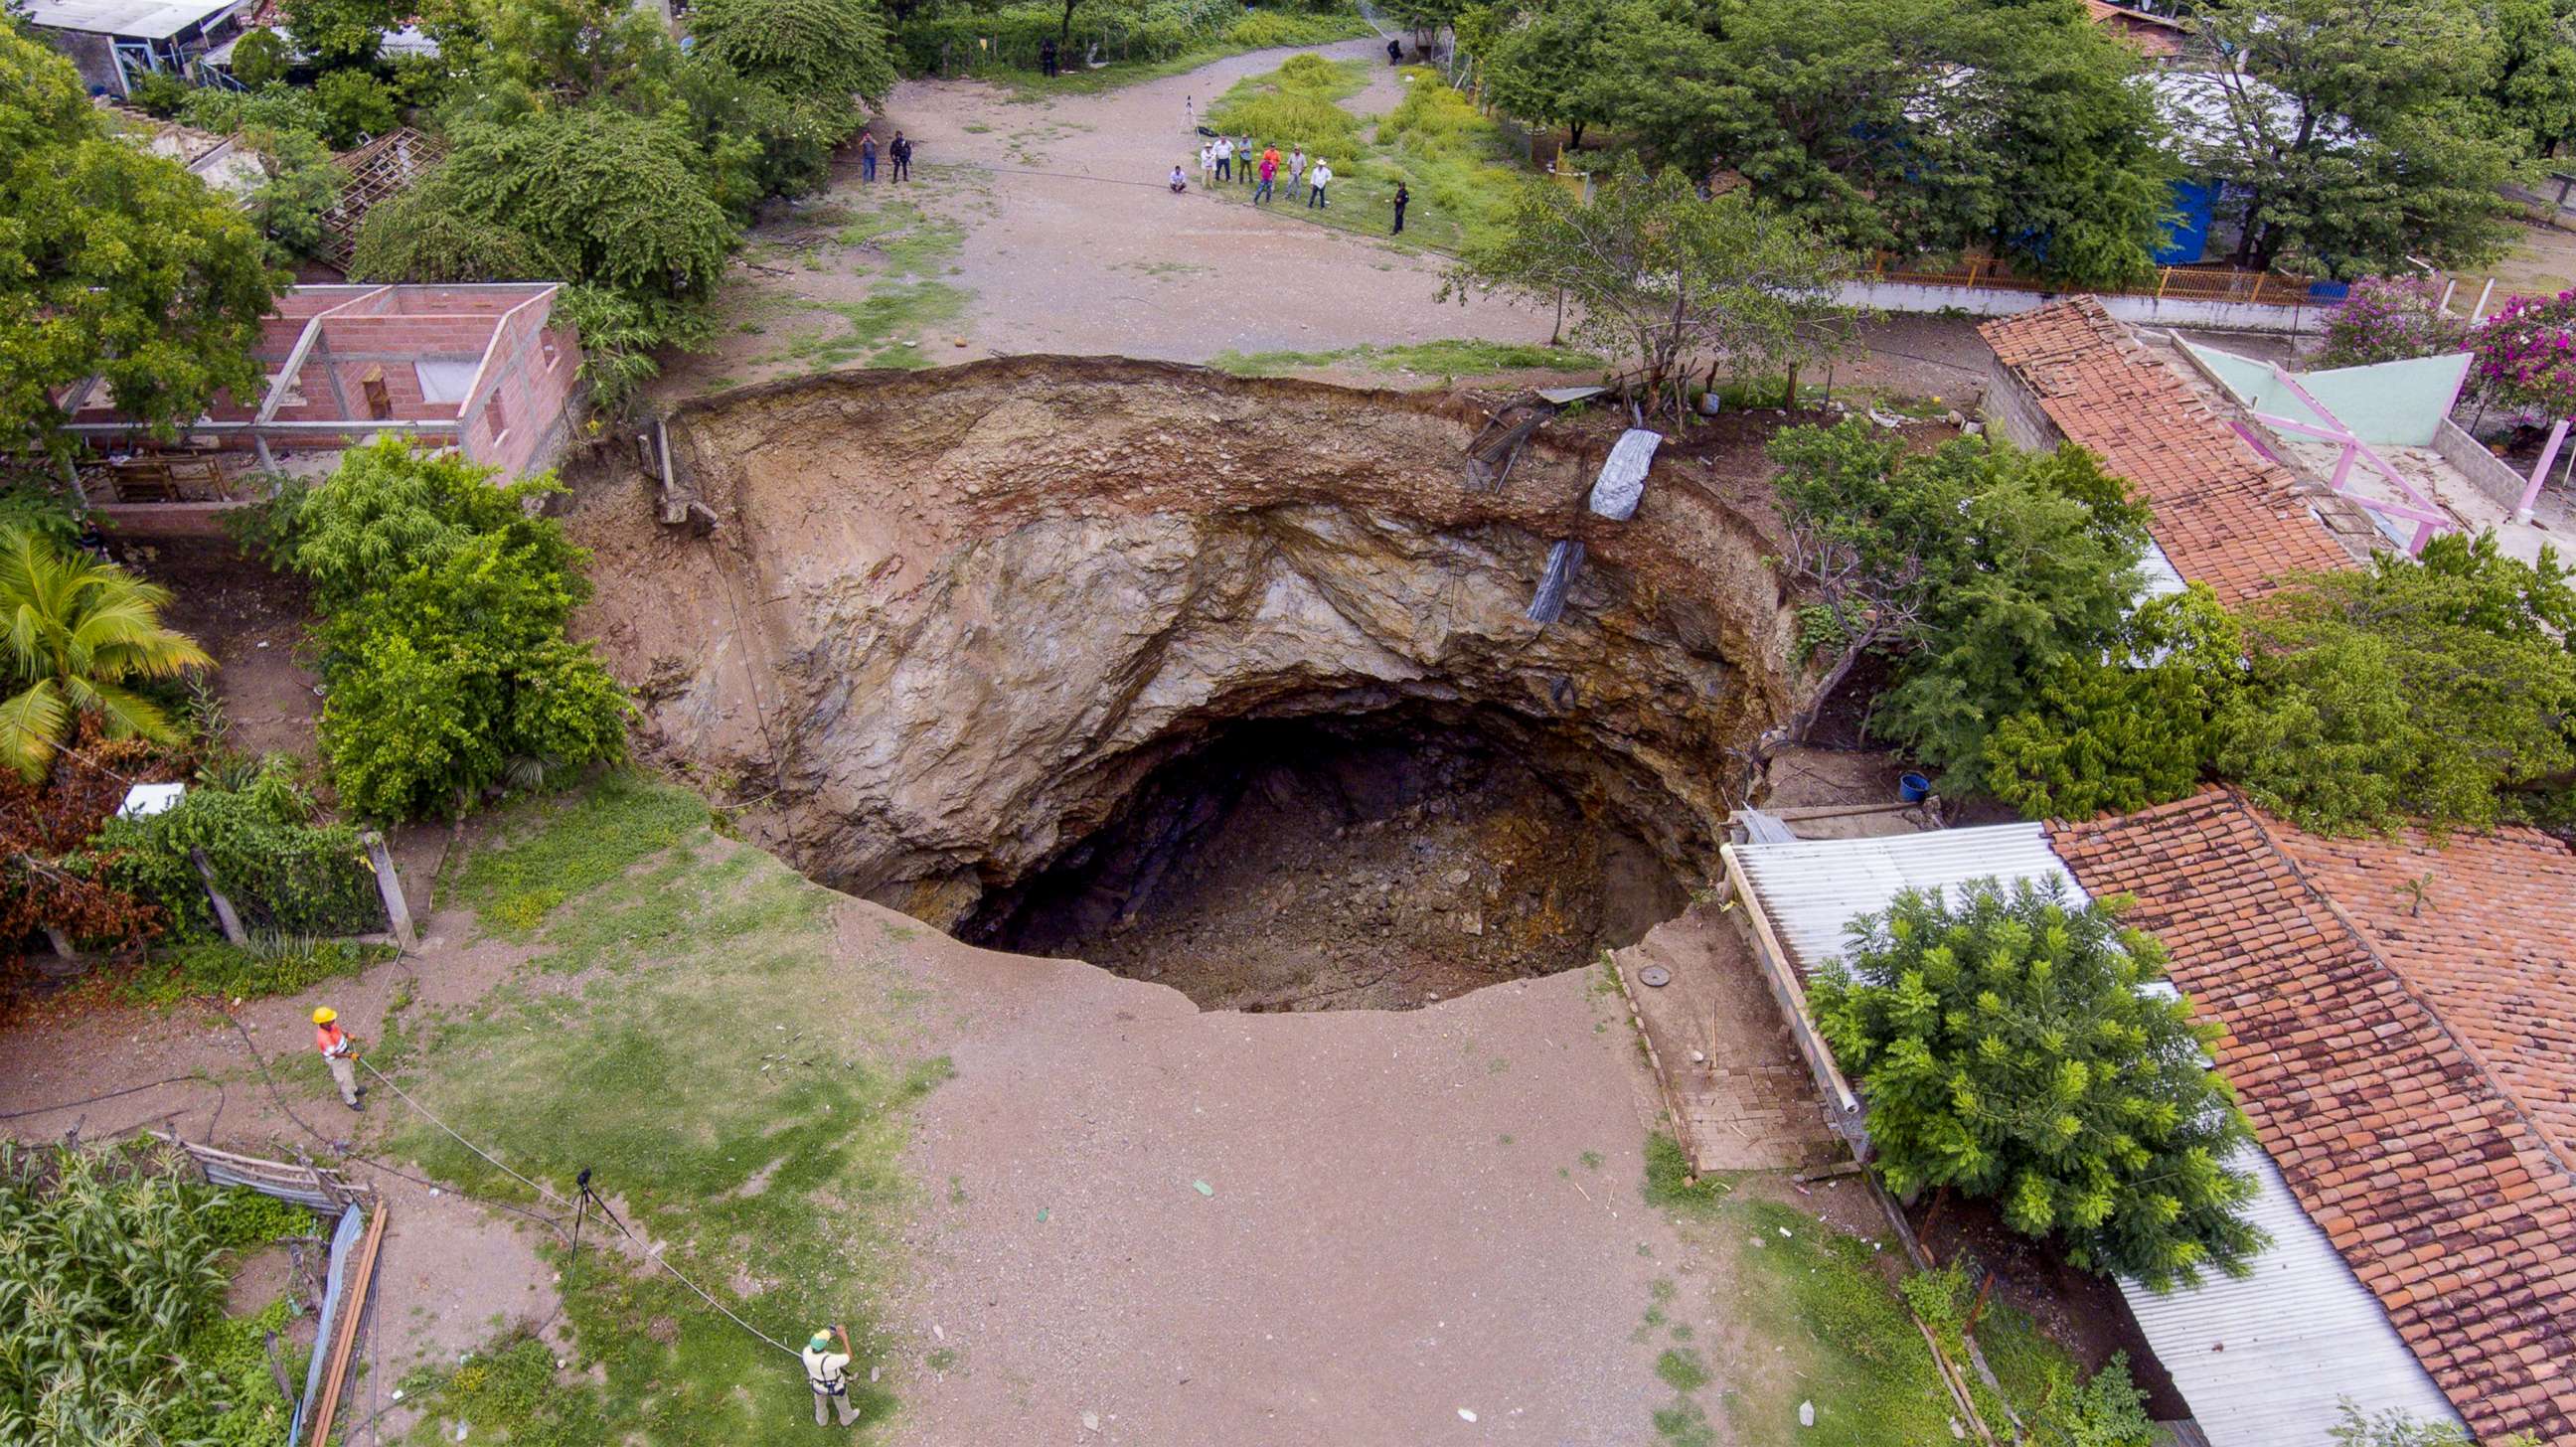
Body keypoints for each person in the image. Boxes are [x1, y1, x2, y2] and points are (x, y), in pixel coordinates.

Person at [803, 1326, 860, 1427]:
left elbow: (819, 1342)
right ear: (824, 1346)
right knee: (842, 1402)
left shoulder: (806, 1352)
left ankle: (821, 1420)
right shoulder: (830, 1360)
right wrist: (844, 1338)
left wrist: (832, 1332)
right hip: (835, 1387)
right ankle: (847, 1419)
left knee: (819, 1403)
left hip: (817, 1385)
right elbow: (849, 1356)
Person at [313, 1007, 363, 1111]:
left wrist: (347, 1034)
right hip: (337, 1060)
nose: (334, 1020)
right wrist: (350, 1055)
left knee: (350, 1072)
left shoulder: (330, 1025)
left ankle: (354, 1089)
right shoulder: (323, 1038)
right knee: (344, 1080)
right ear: (323, 1022)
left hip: (344, 1053)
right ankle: (351, 1101)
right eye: (331, 1019)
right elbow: (335, 1054)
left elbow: (339, 1030)